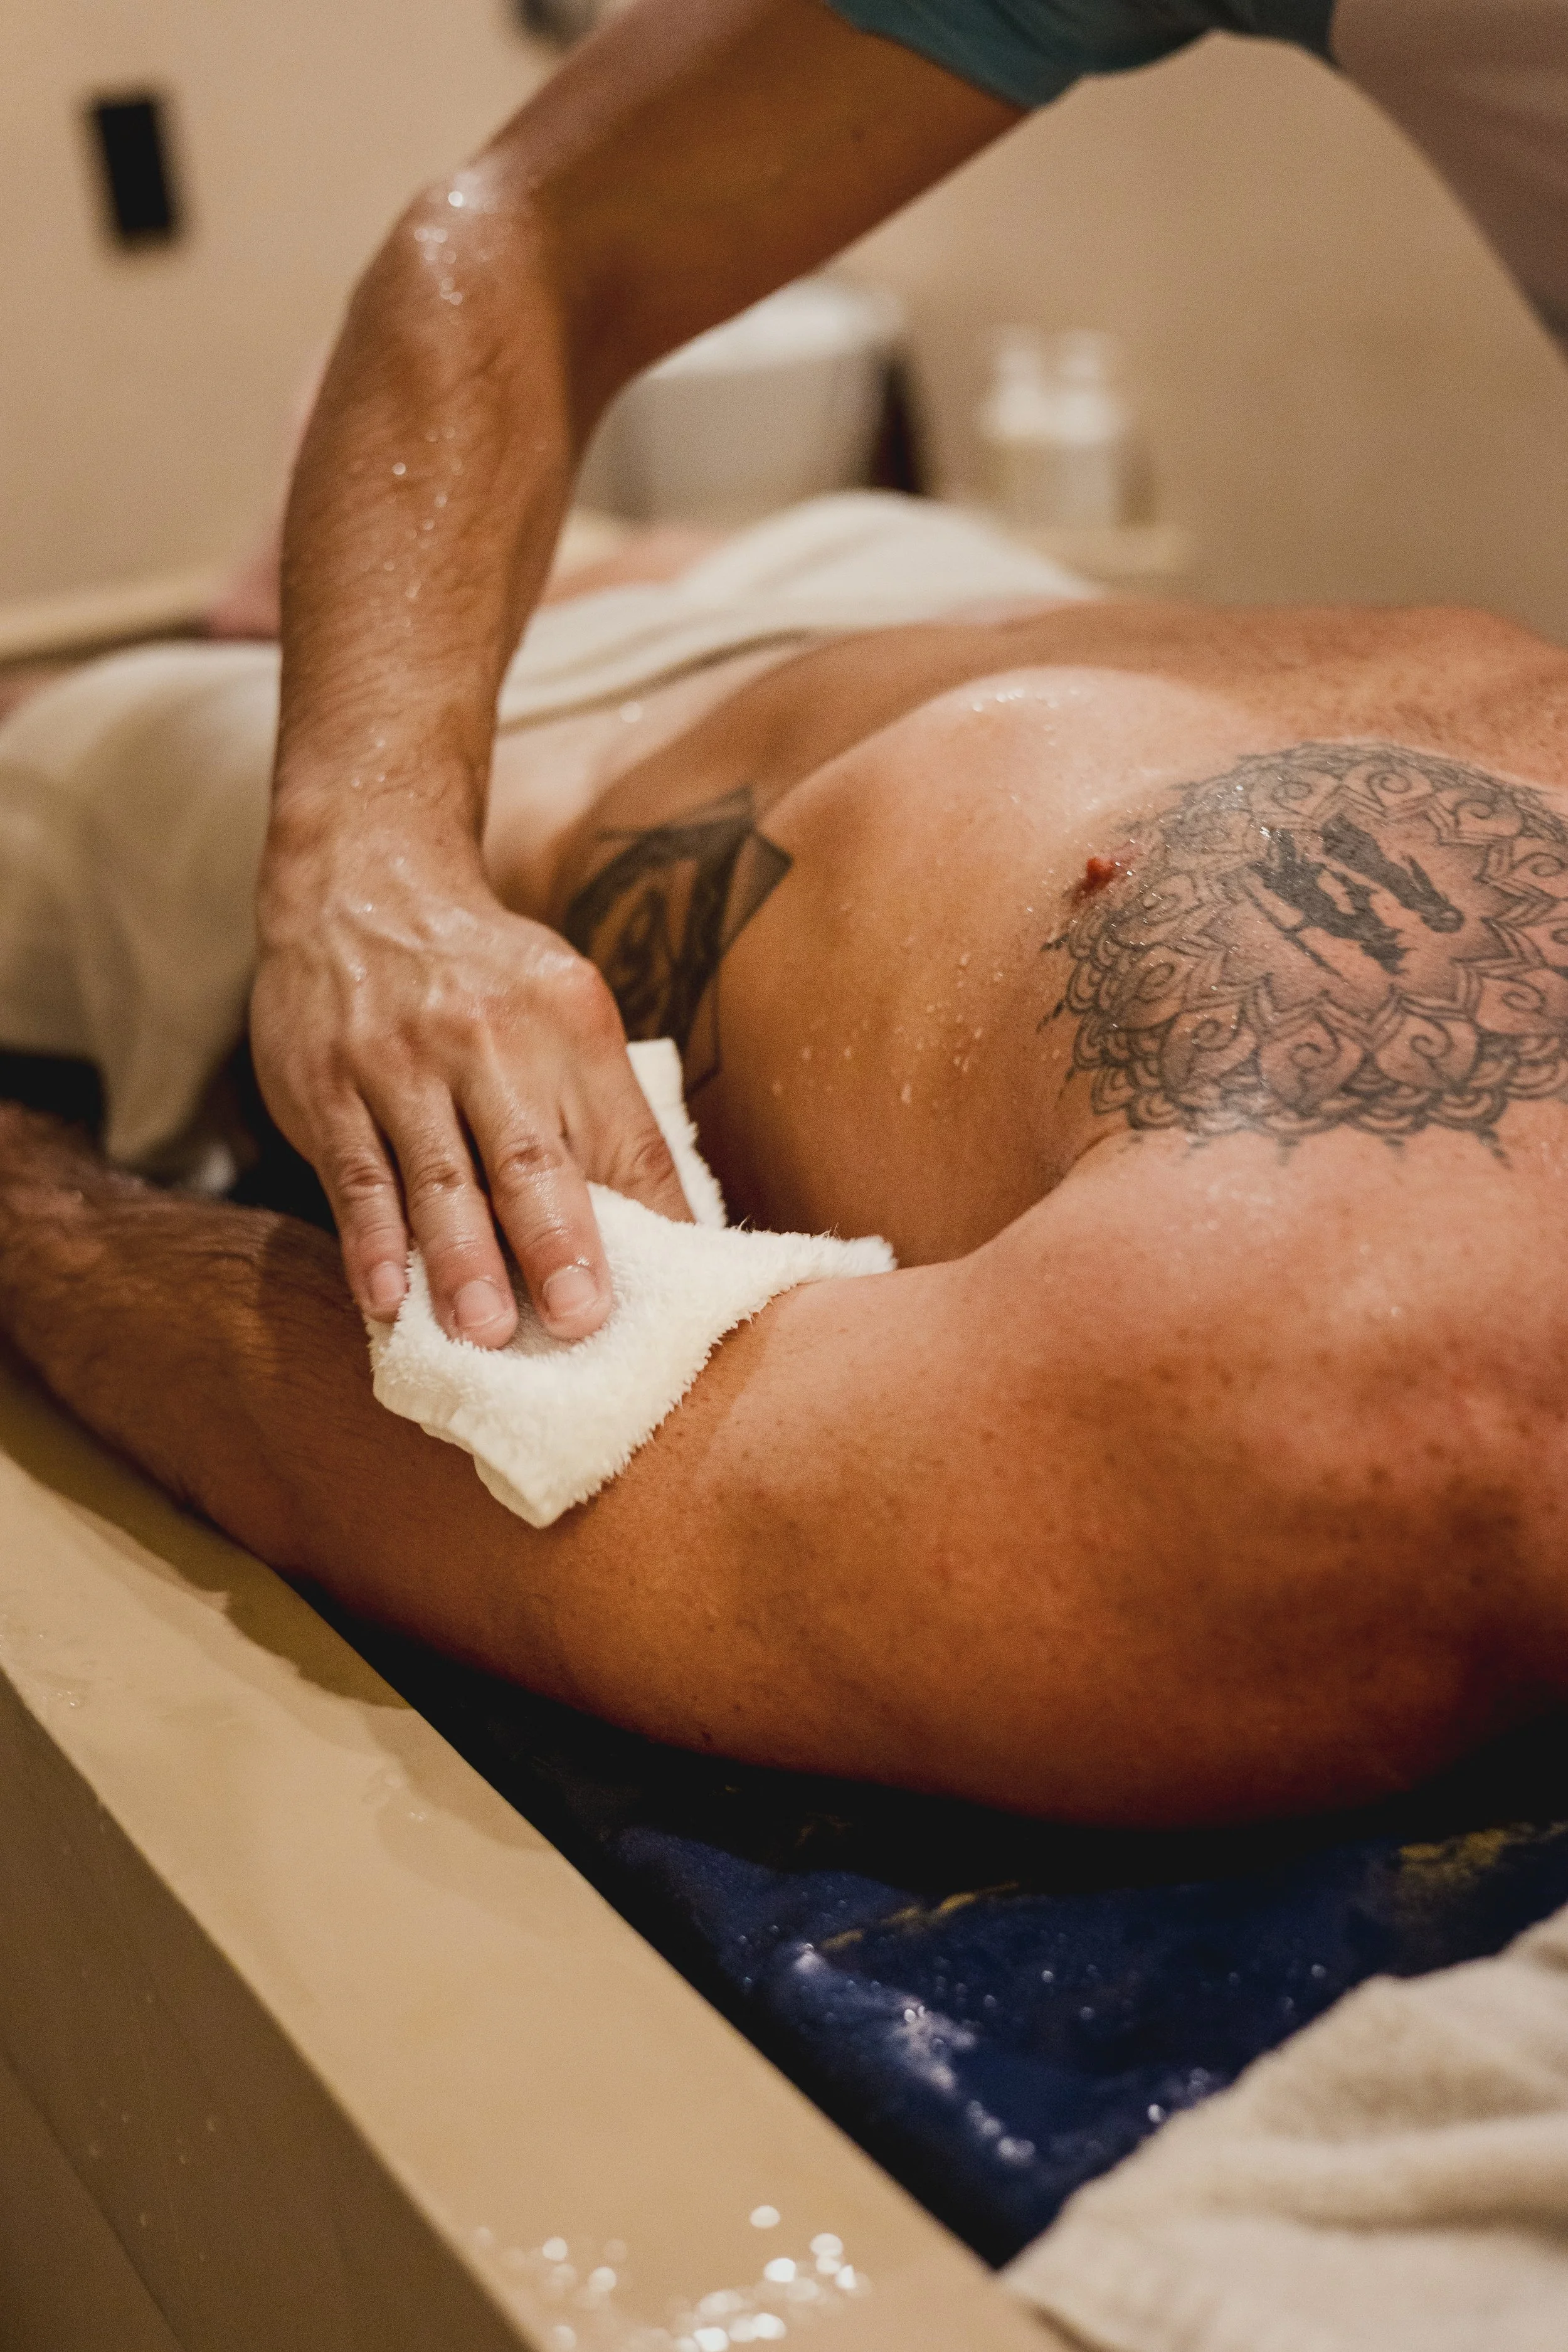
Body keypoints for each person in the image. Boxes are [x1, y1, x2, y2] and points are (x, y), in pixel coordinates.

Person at [3, 524, 1567, 1826]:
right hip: (927, 581)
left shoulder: (1340, 1425)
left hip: (574, 774)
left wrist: (34, 1203)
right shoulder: (1354, 1386)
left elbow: (537, 1434)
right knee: (500, 556)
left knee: (60, 716)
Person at [254, 0, 1568, 1356]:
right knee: (711, 562)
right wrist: (356, 868)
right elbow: (520, 237)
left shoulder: (1375, 1298)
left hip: (729, 676)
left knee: (723, 570)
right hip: (915, 595)